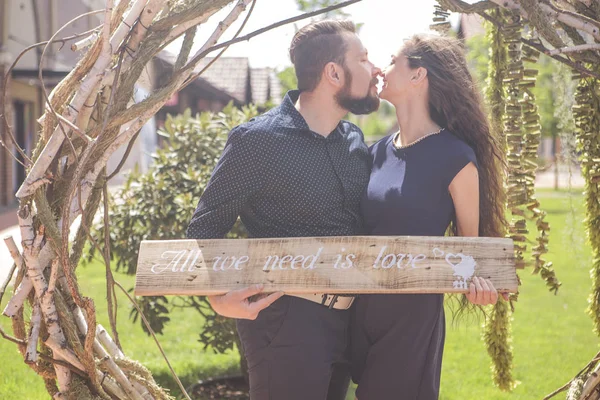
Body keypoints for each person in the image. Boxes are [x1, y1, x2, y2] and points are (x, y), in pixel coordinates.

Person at [186, 20, 381, 400]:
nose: (374, 68)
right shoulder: (256, 141)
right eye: (364, 58)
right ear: (334, 73)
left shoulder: (355, 140)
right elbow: (203, 232)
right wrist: (218, 300)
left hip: (350, 318)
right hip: (286, 320)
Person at [350, 34, 509, 400]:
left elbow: (472, 255)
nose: (381, 69)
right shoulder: (375, 153)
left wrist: (478, 289)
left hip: (411, 319)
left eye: (392, 60)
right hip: (359, 312)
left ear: (418, 74)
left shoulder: (456, 157)